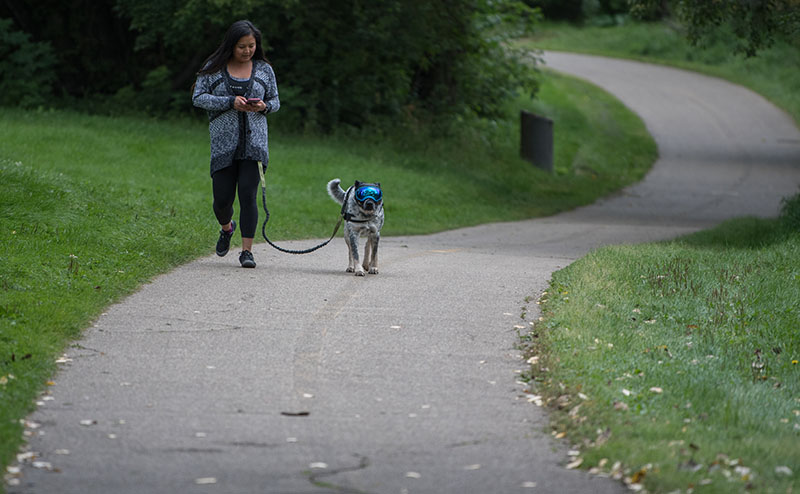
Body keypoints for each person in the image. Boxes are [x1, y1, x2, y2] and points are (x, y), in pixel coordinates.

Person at [192, 20, 279, 268]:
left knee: (248, 195)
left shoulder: (264, 70)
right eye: (242, 46)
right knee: (222, 201)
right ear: (231, 45)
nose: (247, 50)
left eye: (251, 45)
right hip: (223, 145)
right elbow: (198, 98)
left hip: (254, 145)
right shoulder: (213, 68)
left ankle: (247, 252)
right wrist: (229, 102)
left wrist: (264, 106)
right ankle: (227, 228)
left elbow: (275, 101)